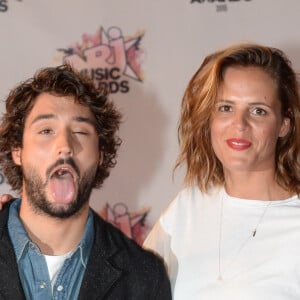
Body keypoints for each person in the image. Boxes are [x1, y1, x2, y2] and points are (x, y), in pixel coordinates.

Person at [0, 64, 171, 299]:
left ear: (100, 155)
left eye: (80, 132)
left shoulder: (143, 276)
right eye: (46, 130)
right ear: (17, 151)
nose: (65, 146)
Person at [144, 43, 300, 299]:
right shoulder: (186, 207)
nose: (239, 124)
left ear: (283, 125)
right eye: (226, 108)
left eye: (258, 111)